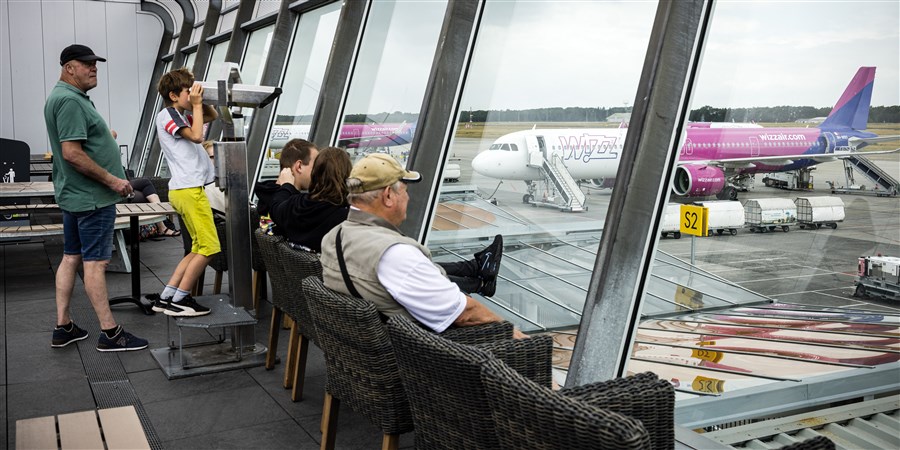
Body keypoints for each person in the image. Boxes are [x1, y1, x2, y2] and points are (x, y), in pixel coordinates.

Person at [320, 153, 518, 336]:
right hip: (417, 357)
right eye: (405, 191)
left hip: (366, 351)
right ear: (388, 196)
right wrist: (516, 335)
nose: (408, 197)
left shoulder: (332, 237)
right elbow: (466, 313)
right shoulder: (393, 253)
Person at [44, 44, 148, 351]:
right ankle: (110, 333)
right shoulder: (69, 101)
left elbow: (77, 145)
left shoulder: (63, 98)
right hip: (92, 198)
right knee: (95, 264)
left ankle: (63, 327)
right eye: (86, 63)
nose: (94, 68)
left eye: (96, 64)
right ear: (68, 68)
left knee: (71, 257)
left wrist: (105, 138)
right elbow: (72, 153)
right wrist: (114, 181)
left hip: (74, 196)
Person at [147, 68, 219, 317]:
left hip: (186, 189)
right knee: (209, 247)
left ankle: (168, 295)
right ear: (174, 95)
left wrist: (200, 100)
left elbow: (212, 114)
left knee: (198, 247)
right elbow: (198, 136)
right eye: (188, 90)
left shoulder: (178, 114)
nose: (193, 94)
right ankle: (182, 298)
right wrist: (195, 105)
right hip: (189, 190)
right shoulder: (167, 115)